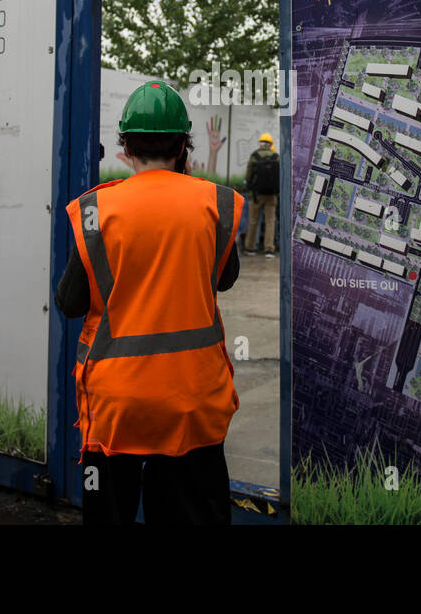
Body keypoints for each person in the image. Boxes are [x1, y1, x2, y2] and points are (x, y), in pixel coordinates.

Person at [54, 79, 242, 525]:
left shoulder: (98, 212)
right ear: (183, 147)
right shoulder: (213, 204)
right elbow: (227, 278)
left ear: (126, 147)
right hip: (193, 402)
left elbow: (69, 302)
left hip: (118, 409)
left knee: (108, 513)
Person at [244, 133, 279, 258]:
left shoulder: (254, 156)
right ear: (270, 144)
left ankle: (250, 247)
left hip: (256, 194)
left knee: (253, 221)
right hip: (272, 195)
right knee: (270, 221)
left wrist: (248, 186)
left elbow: (248, 175)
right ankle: (269, 249)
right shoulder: (276, 156)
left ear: (260, 143)